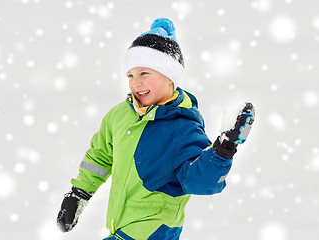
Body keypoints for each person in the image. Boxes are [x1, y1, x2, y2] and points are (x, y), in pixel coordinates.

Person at [56, 18, 255, 240]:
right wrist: (79, 193)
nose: (135, 83)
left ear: (170, 77)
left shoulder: (182, 126)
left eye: (145, 74)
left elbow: (200, 181)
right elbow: (100, 156)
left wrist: (223, 149)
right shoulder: (119, 115)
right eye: (130, 75)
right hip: (121, 227)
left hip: (155, 229)